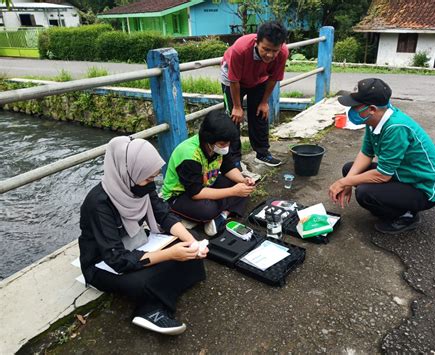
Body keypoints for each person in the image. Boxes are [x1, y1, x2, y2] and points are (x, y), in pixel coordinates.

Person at [79, 136, 207, 336]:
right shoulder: (98, 203)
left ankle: (160, 294)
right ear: (128, 172)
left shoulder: (137, 185)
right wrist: (171, 255)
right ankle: (148, 311)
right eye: (148, 179)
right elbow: (117, 260)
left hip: (137, 242)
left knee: (188, 238)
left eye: (154, 178)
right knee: (142, 281)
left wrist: (194, 243)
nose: (151, 184)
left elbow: (163, 214)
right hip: (102, 262)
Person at [329, 78, 435, 234]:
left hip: (422, 186)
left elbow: (383, 176)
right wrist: (347, 182)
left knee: (365, 192)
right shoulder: (374, 121)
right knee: (349, 169)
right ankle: (392, 202)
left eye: (355, 107)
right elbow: (366, 153)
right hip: (403, 173)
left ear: (371, 109)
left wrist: (343, 182)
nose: (351, 110)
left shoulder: (395, 127)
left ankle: (406, 215)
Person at [161, 111, 255, 236]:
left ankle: (221, 216)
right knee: (207, 209)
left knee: (243, 188)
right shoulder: (189, 155)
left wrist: (243, 181)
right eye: (222, 144)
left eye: (228, 143)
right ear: (209, 140)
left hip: (206, 184)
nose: (226, 147)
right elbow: (195, 193)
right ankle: (215, 213)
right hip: (180, 195)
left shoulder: (218, 147)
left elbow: (228, 167)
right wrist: (233, 192)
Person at [220, 20, 289, 167]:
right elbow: (234, 80)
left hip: (258, 79)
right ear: (257, 42)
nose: (270, 55)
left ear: (281, 45)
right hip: (232, 80)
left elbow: (273, 79)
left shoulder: (283, 52)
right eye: (266, 49)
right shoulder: (240, 49)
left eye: (274, 50)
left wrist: (264, 102)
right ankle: (234, 160)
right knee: (233, 118)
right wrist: (237, 107)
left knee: (260, 114)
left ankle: (262, 153)